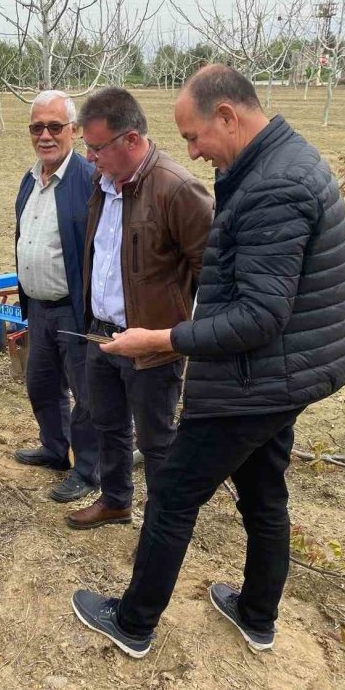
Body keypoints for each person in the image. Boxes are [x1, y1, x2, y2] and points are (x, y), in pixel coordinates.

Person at [72, 65, 345, 656]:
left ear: (226, 116)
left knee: (173, 494)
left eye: (194, 137)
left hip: (257, 377)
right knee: (263, 489)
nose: (193, 152)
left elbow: (258, 315)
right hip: (287, 370)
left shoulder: (276, 186)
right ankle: (257, 614)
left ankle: (133, 623)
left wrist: (164, 339)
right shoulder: (279, 162)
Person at [65, 87, 213, 531]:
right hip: (101, 334)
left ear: (131, 140)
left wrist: (181, 337)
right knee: (107, 424)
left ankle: (160, 527)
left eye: (96, 147)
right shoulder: (103, 183)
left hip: (152, 345)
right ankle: (116, 501)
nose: (89, 157)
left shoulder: (177, 189)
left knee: (157, 441)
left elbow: (213, 275)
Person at [13, 90, 100, 502]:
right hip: (38, 308)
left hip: (74, 312)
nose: (45, 136)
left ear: (74, 131)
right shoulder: (30, 179)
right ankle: (54, 448)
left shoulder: (89, 180)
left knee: (87, 395)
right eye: (37, 127)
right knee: (42, 385)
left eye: (54, 126)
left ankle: (88, 469)